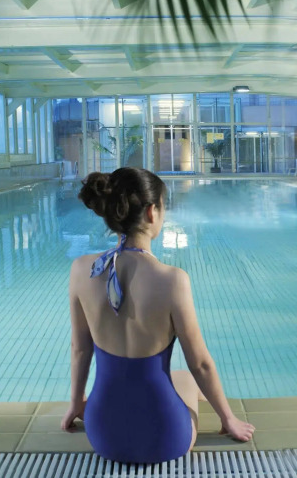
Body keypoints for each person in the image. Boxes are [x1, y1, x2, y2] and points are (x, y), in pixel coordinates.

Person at [61, 167, 254, 463]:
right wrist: (229, 420)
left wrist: (76, 403)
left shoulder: (81, 270)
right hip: (166, 437)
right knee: (186, 378)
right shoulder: (172, 280)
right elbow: (200, 364)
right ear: (152, 212)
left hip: (103, 434)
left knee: (170, 379)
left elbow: (80, 349)